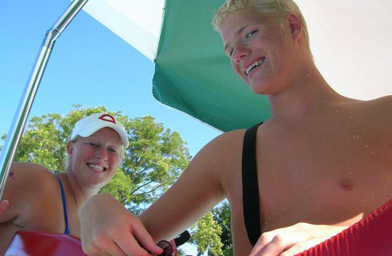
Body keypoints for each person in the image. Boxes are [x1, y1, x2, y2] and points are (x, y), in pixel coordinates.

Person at [79, 1, 392, 255]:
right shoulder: (229, 152)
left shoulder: (385, 115)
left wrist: (339, 237)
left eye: (250, 33)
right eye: (229, 51)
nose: (239, 54)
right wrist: (97, 208)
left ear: (292, 26)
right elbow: (130, 241)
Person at [0, 113, 129, 255]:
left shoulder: (100, 229)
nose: (103, 155)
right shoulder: (36, 181)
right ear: (70, 149)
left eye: (112, 150)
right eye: (93, 144)